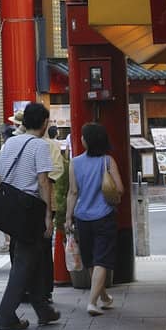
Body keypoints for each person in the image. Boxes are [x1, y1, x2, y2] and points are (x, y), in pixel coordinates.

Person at [0, 101, 59, 330]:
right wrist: (48, 216)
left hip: (11, 207)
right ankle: (6, 314)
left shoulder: (10, 143)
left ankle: (43, 309)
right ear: (43, 123)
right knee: (24, 261)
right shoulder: (39, 146)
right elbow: (43, 182)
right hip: (29, 208)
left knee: (35, 258)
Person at [65, 122, 123, 317]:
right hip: (104, 216)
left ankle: (104, 298)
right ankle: (92, 302)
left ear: (87, 141)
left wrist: (67, 217)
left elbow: (73, 192)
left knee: (91, 260)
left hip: (82, 217)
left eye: (82, 136)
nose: (81, 138)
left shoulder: (75, 162)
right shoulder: (108, 161)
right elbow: (120, 189)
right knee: (101, 260)